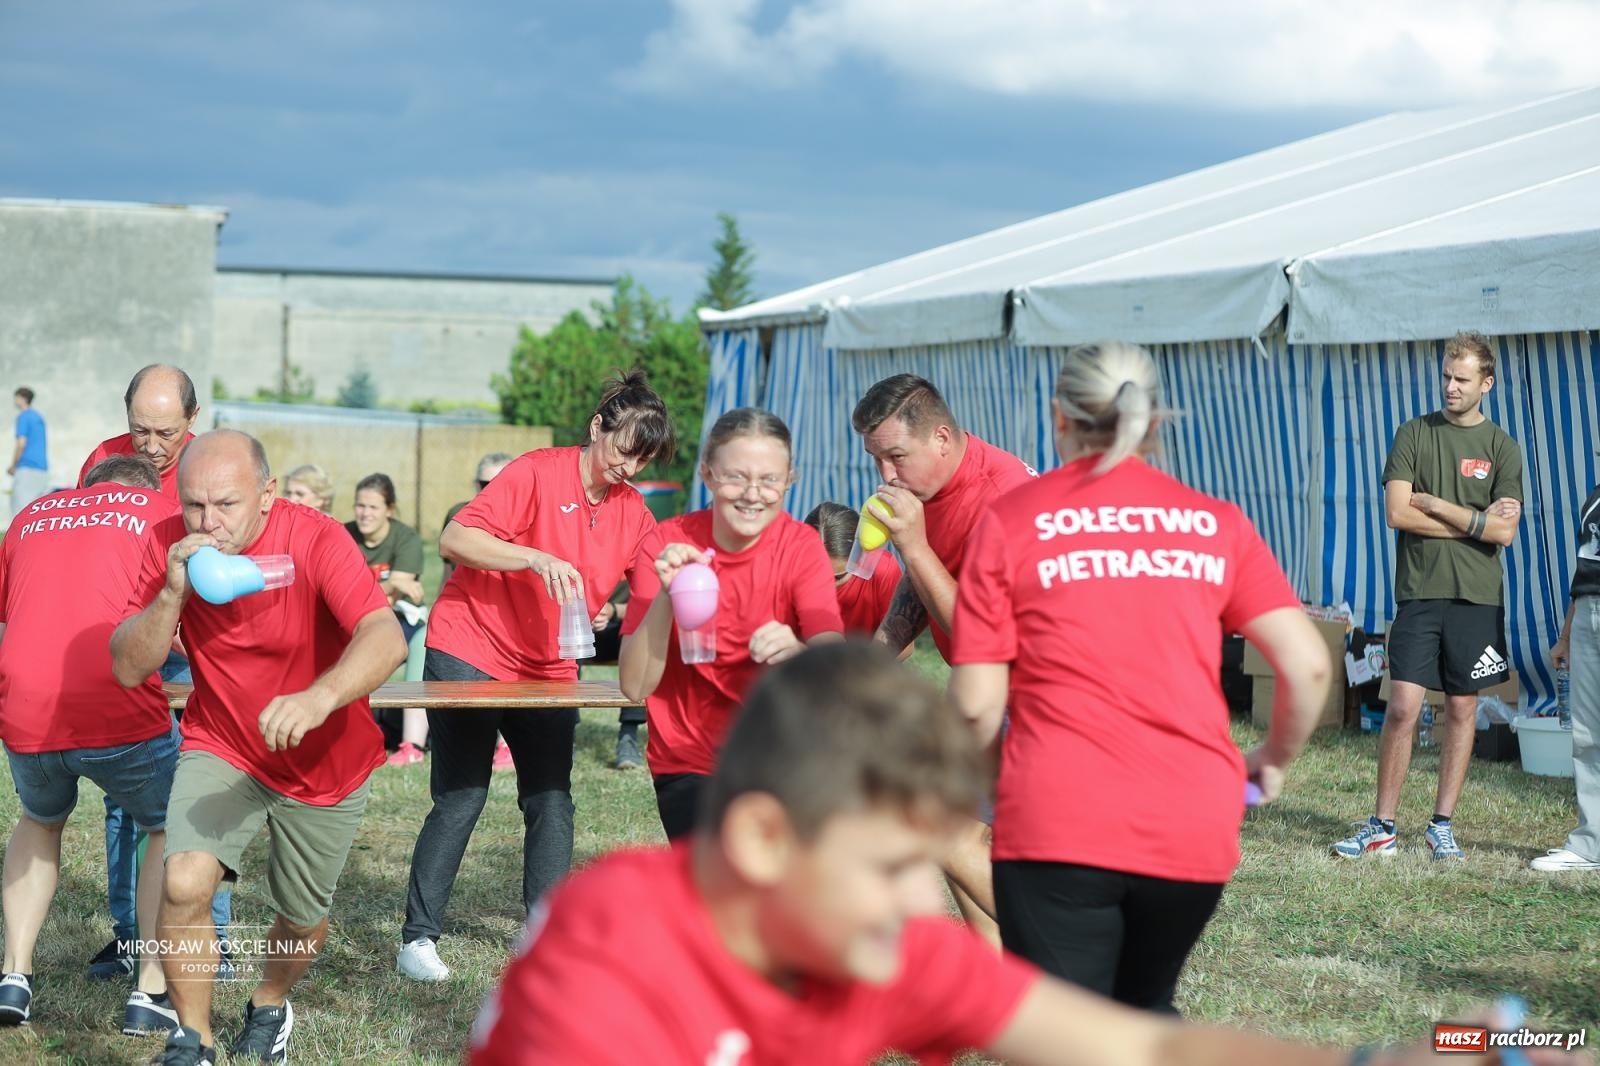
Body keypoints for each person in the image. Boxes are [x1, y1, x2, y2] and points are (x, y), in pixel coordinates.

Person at [469, 643, 1553, 1066]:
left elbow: (1143, 1052)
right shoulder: (607, 954)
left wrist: (1384, 1062)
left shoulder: (871, 942)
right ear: (761, 838)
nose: (924, 899)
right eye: (894, 865)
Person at [948, 341, 1331, 1012]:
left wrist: (990, 787)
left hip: (1055, 821)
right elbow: (1309, 662)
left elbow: (978, 706)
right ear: (1156, 422)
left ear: (1058, 418)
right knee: (1141, 1011)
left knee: (1068, 1037)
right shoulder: (1216, 522)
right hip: (1193, 822)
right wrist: (1272, 756)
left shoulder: (1011, 522)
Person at [110, 429, 407, 1066]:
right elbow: (130, 667)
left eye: (226, 505)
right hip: (224, 743)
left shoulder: (317, 538)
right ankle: (193, 1038)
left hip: (325, 760)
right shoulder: (169, 545)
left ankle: (269, 1001)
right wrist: (171, 595)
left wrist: (319, 698)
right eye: (194, 505)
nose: (207, 523)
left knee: (301, 917)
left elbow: (386, 637)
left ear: (267, 494)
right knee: (184, 882)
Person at [399, 371, 675, 983]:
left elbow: (653, 582)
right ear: (597, 426)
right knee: (463, 793)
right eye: (625, 450)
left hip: (551, 663)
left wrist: (618, 610)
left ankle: (544, 932)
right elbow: (455, 537)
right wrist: (535, 556)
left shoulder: (632, 511)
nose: (631, 468)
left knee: (551, 797)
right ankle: (417, 939)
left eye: (644, 459)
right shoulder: (535, 472)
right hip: (471, 646)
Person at [851, 373, 1036, 943]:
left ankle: (1066, 953)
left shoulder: (1003, 500)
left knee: (944, 831)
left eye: (896, 457)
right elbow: (930, 580)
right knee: (954, 833)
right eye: (876, 460)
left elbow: (989, 636)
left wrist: (913, 544)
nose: (886, 476)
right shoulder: (932, 492)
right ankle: (1001, 988)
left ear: (940, 438)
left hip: (1033, 689)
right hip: (985, 686)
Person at [0, 456, 182, 1035]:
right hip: (113, 699)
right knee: (169, 823)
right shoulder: (160, 511)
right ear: (146, 489)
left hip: (24, 703)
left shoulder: (32, 512)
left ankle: (14, 975)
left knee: (39, 818)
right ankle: (150, 990)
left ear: (87, 491)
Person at [1334, 331, 1524, 862]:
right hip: (1418, 592)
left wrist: (1439, 506)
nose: (1450, 387)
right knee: (1402, 707)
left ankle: (1442, 825)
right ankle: (1383, 826)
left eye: (1462, 379)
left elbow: (1505, 534)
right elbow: (1398, 513)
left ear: (1486, 383)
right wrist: (1476, 523)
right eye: (1445, 375)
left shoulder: (1502, 448)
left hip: (1478, 596)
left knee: (1462, 709)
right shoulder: (1414, 433)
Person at [618, 407, 843, 840]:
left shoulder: (801, 547)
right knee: (720, 892)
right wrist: (667, 594)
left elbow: (832, 658)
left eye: (770, 480)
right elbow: (635, 686)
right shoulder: (667, 543)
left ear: (789, 480)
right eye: (736, 476)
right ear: (707, 474)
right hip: (689, 761)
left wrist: (800, 653)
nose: (753, 494)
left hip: (778, 754)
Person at [77, 363, 214, 983]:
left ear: (193, 418)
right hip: (130, 647)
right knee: (123, 801)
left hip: (197, 644)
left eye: (166, 434)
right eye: (140, 432)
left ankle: (207, 932)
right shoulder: (103, 463)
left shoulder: (212, 466)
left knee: (202, 789)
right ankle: (130, 934)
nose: (152, 449)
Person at [1531, 481, 1600, 871]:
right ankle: (1591, 844)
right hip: (1590, 610)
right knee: (1588, 733)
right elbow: (1584, 572)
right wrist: (1566, 636)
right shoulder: (1594, 496)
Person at [439, 452, 515, 770]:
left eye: (500, 482)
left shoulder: (525, 517)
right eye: (485, 483)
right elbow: (448, 572)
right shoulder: (460, 516)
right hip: (467, 621)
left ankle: (508, 743)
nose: (491, 489)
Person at [346, 472, 428, 766]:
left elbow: (386, 598)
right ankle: (352, 738)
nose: (365, 514)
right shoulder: (344, 536)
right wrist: (392, 583)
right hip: (353, 622)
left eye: (373, 507)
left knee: (424, 640)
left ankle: (413, 744)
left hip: (403, 623)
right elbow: (346, 595)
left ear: (389, 510)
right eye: (360, 506)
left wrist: (387, 588)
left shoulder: (405, 538)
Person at [803, 500, 904, 636]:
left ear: (860, 558)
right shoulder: (787, 569)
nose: (826, 586)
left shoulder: (882, 570)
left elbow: (901, 642)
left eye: (838, 577)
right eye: (816, 576)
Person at [8, 386, 49, 516]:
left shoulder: (24, 416)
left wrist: (13, 465)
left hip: (27, 467)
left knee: (19, 513)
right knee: (35, 513)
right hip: (42, 469)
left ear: (22, 399)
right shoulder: (39, 417)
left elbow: (21, 443)